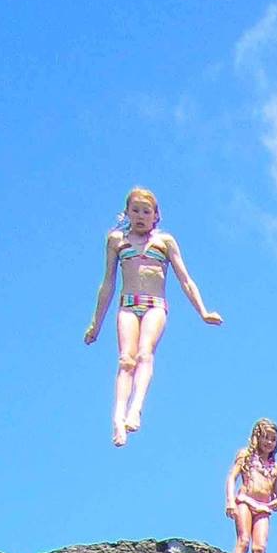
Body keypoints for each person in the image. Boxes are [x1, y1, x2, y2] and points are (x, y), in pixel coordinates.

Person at [84, 187, 223, 446]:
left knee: (144, 353)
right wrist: (96, 323)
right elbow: (107, 284)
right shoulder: (117, 240)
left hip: (154, 305)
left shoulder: (164, 242)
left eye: (146, 211)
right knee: (126, 359)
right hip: (128, 304)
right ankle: (118, 418)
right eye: (135, 210)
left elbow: (186, 280)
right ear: (126, 212)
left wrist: (203, 311)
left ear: (155, 216)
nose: (140, 216)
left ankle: (136, 408)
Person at [225, 420, 277, 553]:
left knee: (259, 547)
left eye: (273, 439)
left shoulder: (275, 468)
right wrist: (230, 501)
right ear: (257, 437)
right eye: (266, 437)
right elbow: (232, 477)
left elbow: (275, 494)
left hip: (263, 507)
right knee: (244, 540)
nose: (269, 442)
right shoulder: (245, 455)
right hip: (245, 500)